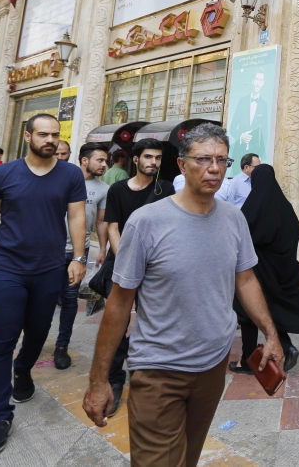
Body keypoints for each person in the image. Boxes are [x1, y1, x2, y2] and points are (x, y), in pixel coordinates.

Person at [82, 124, 284, 467]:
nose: (215, 168)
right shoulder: (147, 222)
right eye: (204, 159)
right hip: (159, 369)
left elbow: (246, 280)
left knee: (188, 458)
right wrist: (99, 380)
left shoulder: (234, 220)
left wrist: (271, 332)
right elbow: (119, 302)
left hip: (212, 367)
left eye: (222, 160)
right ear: (181, 164)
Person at [0, 114, 86, 458]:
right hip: (5, 267)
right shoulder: (2, 174)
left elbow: (76, 216)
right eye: (43, 134)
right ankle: (0, 417)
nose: (50, 140)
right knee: (0, 341)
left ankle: (23, 369)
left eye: (54, 135)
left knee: (37, 332)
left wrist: (78, 256)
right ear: (27, 135)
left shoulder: (71, 174)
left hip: (48, 269)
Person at [102, 138, 174, 415]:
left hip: (156, 268)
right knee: (117, 325)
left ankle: (150, 377)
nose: (153, 162)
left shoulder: (165, 189)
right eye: (148, 157)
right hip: (122, 264)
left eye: (157, 158)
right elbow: (112, 229)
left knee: (154, 321)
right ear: (135, 160)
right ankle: (114, 380)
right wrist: (128, 263)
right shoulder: (118, 190)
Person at [229, 163, 299, 375]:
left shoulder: (253, 207)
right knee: (272, 308)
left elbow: (241, 236)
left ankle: (247, 361)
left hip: (256, 271)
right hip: (282, 269)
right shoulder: (286, 208)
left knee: (247, 312)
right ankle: (286, 346)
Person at [52, 143, 110, 370]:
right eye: (100, 160)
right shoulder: (61, 180)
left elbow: (101, 221)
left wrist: (102, 248)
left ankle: (61, 346)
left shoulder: (103, 189)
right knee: (44, 299)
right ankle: (34, 339)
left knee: (69, 299)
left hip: (79, 252)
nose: (105, 165)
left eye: (106, 161)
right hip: (50, 250)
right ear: (84, 160)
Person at [229, 71, 269, 162]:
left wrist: (261, 154)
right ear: (252, 81)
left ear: (263, 83)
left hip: (254, 153)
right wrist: (240, 137)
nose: (258, 83)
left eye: (261, 80)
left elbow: (264, 132)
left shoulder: (264, 104)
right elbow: (232, 127)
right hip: (239, 151)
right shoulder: (242, 101)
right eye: (257, 79)